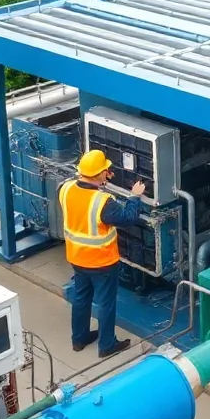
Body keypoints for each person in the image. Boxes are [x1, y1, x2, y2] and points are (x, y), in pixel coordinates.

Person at [60, 149, 146, 359]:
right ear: (100, 174)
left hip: (77, 258)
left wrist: (102, 180)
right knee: (106, 303)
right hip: (101, 263)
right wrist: (135, 196)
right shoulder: (103, 202)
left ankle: (78, 339)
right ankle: (107, 345)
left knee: (81, 298)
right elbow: (127, 217)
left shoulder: (66, 188)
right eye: (105, 170)